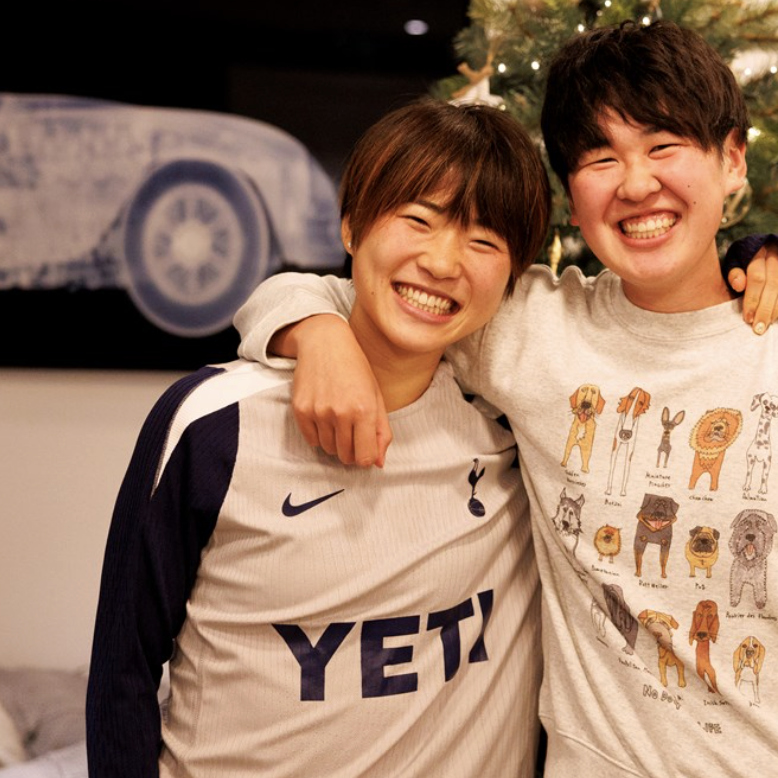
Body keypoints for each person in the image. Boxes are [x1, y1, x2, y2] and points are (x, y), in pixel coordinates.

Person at [235, 21, 778, 777]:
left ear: (731, 159)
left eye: (664, 147)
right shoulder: (530, 330)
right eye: (600, 158)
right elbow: (369, 285)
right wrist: (317, 333)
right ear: (573, 196)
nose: (634, 183)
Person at [85, 98, 555, 777]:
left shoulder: (516, 422)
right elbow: (123, 675)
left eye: (483, 242)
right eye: (417, 220)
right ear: (350, 227)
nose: (443, 260)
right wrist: (317, 330)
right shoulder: (214, 424)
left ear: (513, 277)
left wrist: (762, 255)